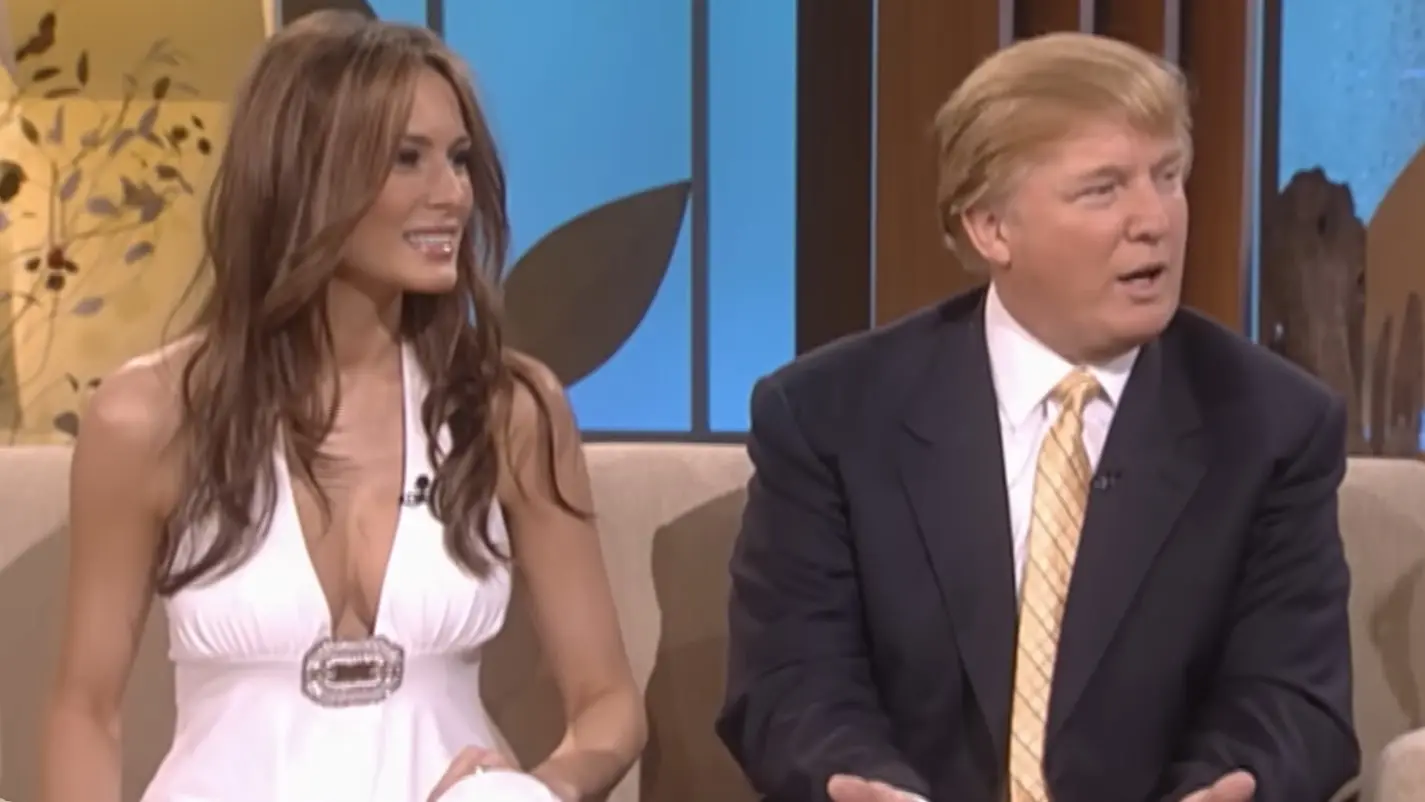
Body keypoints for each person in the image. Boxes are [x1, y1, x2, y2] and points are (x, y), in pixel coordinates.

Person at [716, 31, 1358, 802]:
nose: (1153, 219)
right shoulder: (829, 417)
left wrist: (1223, 788)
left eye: (1167, 177)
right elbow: (791, 683)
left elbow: (1291, 698)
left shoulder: (1271, 426)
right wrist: (873, 789)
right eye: (1102, 189)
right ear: (990, 227)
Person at [40, 11, 645, 802]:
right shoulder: (151, 416)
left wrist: (540, 790)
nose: (452, 195)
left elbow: (607, 704)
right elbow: (86, 711)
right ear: (303, 175)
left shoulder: (507, 410)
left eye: (459, 159)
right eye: (407, 159)